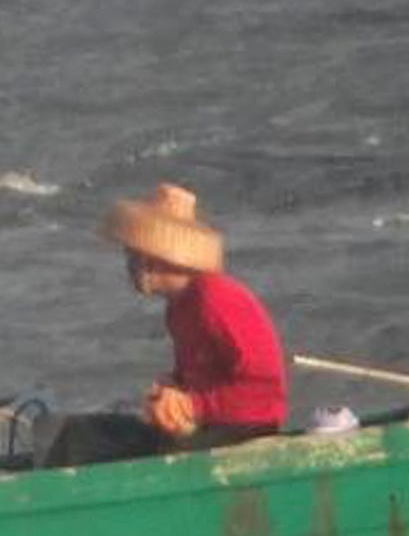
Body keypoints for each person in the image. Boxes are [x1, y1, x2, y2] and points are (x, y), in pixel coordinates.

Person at [39, 183, 285, 467]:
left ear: (150, 260)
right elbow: (197, 375)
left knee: (146, 456)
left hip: (244, 432)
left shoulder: (214, 298)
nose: (129, 266)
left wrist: (193, 405)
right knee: (78, 434)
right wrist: (173, 391)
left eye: (131, 256)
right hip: (209, 425)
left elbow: (264, 384)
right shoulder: (179, 307)